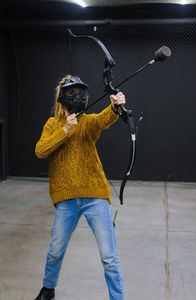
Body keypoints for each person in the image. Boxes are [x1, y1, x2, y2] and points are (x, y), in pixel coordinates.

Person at [34, 75, 125, 300]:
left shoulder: (87, 122)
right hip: (66, 201)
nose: (77, 96)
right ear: (62, 98)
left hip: (95, 196)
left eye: (80, 92)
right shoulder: (51, 125)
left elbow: (102, 120)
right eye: (71, 92)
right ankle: (48, 289)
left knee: (109, 258)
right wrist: (65, 129)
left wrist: (114, 107)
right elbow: (40, 150)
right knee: (55, 251)